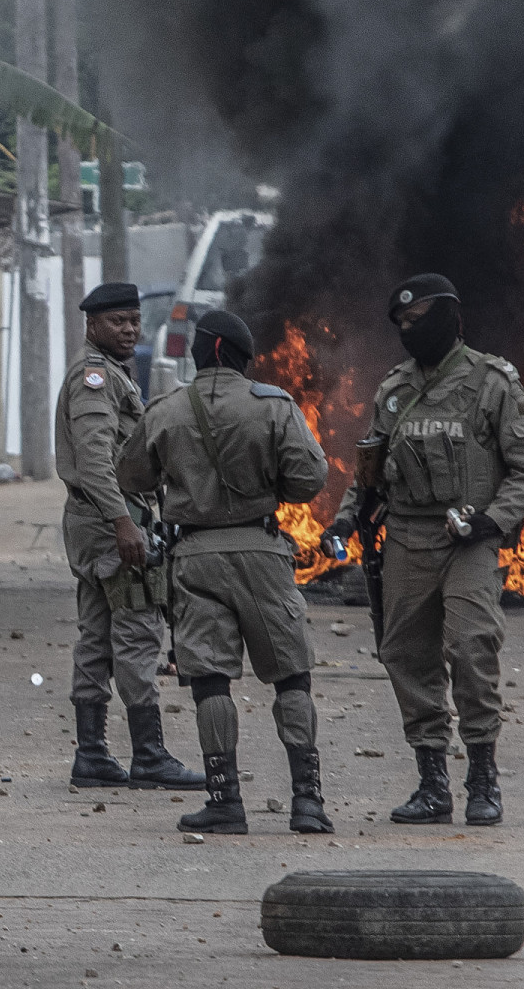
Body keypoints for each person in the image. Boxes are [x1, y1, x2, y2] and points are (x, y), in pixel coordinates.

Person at [320, 274, 524, 827]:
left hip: (468, 538)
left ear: (449, 317)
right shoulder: (393, 390)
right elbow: (369, 471)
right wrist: (346, 521)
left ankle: (483, 779)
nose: (408, 330)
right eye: (401, 323)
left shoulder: (492, 382)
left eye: (418, 319)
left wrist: (491, 522)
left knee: (471, 647)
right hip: (405, 538)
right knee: (405, 655)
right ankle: (432, 783)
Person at [117, 310, 332, 835]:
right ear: (239, 355)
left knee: (210, 679)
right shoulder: (274, 406)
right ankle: (307, 803)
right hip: (262, 553)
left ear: (206, 351)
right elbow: (310, 480)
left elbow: (129, 473)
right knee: (290, 674)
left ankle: (224, 801)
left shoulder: (167, 409)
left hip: (195, 558)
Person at [55, 281, 200, 791]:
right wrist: (124, 524)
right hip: (109, 522)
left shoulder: (111, 373)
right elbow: (95, 460)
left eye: (134, 321)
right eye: (118, 321)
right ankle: (149, 756)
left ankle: (92, 755)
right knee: (137, 632)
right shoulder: (95, 376)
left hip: (93, 521)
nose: (130, 329)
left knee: (95, 637)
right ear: (93, 325)